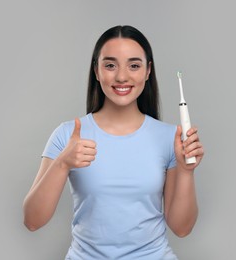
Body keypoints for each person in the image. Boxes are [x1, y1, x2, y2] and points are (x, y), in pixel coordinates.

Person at [23, 25, 204, 259]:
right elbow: (32, 221)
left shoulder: (170, 138)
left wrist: (186, 171)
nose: (121, 76)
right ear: (96, 71)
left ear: (148, 71)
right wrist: (62, 164)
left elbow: (182, 229)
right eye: (110, 65)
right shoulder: (67, 135)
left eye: (134, 65)